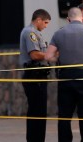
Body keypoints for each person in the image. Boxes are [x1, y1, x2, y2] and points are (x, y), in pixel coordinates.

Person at [45, 7, 83, 142]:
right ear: (82, 18)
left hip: (66, 77)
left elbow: (48, 56)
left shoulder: (59, 33)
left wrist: (59, 59)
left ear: (68, 19)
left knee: (64, 117)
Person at [19, 9, 52, 142]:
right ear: (38, 19)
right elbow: (34, 54)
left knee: (40, 111)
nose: (46, 26)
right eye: (45, 22)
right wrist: (51, 54)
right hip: (34, 74)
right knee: (36, 111)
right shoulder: (30, 32)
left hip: (39, 74)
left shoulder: (36, 33)